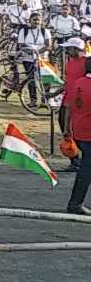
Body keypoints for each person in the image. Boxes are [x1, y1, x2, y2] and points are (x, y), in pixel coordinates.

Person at [61, 57, 91, 214]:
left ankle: (75, 202)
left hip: (78, 131)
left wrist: (66, 128)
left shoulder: (78, 83)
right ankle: (75, 203)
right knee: (86, 169)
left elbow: (67, 106)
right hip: (89, 133)